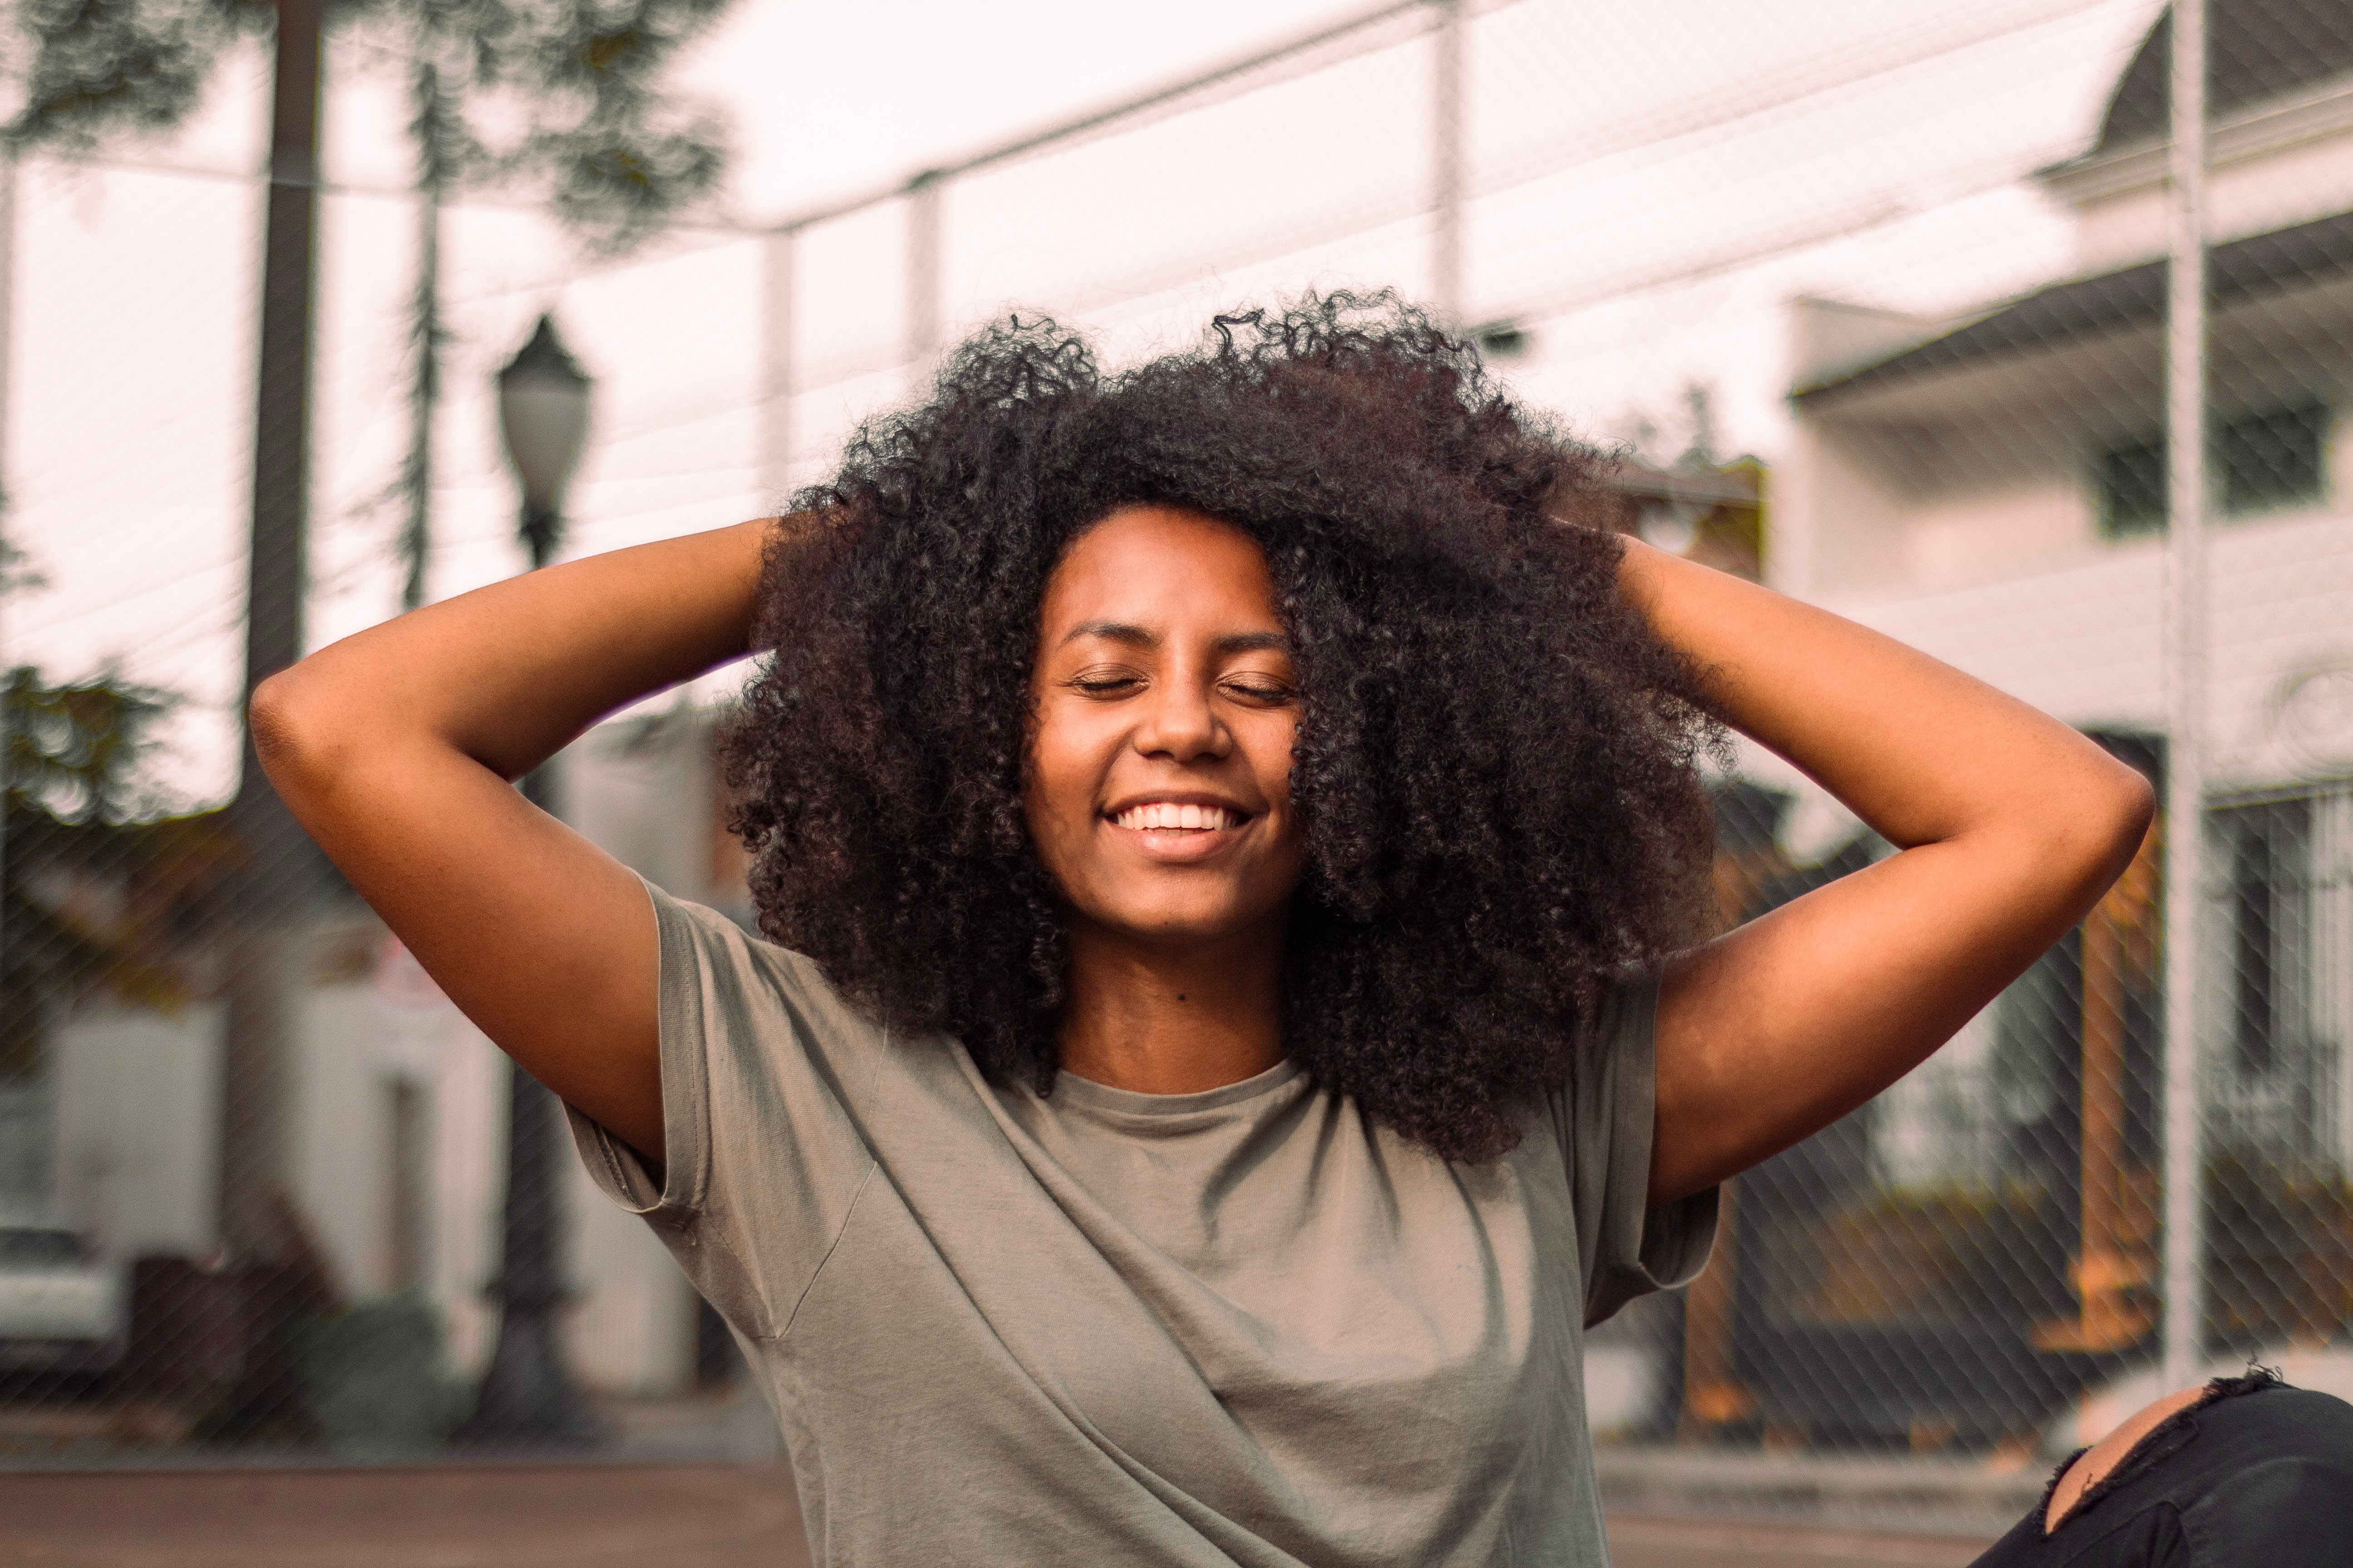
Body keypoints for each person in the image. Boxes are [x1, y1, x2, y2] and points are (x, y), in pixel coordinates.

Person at [252, 297, 2346, 1564]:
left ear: (1377, 732)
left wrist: (1546, 576)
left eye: (1263, 676)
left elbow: (2052, 815)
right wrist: (888, 543)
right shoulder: (789, 1084)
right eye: (1100, 672)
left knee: (2256, 1474)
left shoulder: (1540, 1108)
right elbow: (348, 727)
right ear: (985, 727)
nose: (1184, 724)